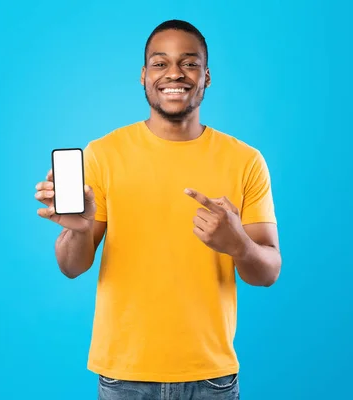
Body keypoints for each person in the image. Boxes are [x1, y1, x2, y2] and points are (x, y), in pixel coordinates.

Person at [34, 19, 281, 400]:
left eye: (190, 62)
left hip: (211, 378)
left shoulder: (246, 161)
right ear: (144, 75)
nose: (175, 74)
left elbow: (268, 272)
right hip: (123, 376)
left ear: (207, 76)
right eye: (160, 63)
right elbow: (71, 267)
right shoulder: (102, 154)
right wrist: (79, 230)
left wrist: (239, 245)